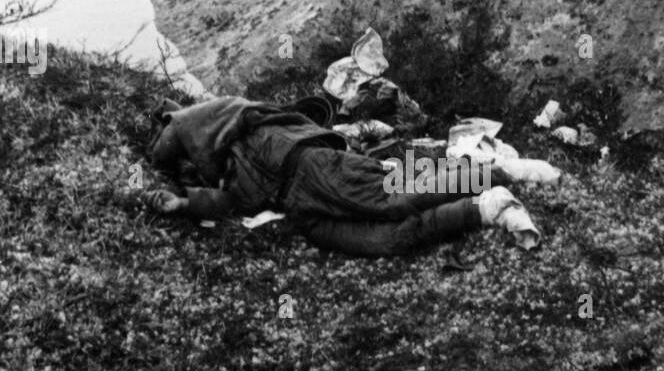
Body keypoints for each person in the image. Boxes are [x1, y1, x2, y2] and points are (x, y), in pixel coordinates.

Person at [141, 94, 540, 259]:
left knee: (394, 197)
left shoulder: (231, 116)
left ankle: (494, 171)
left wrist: (166, 145)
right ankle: (486, 207)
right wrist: (185, 203)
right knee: (386, 240)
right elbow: (229, 202)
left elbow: (174, 132)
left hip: (313, 167)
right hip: (299, 207)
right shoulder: (224, 168)